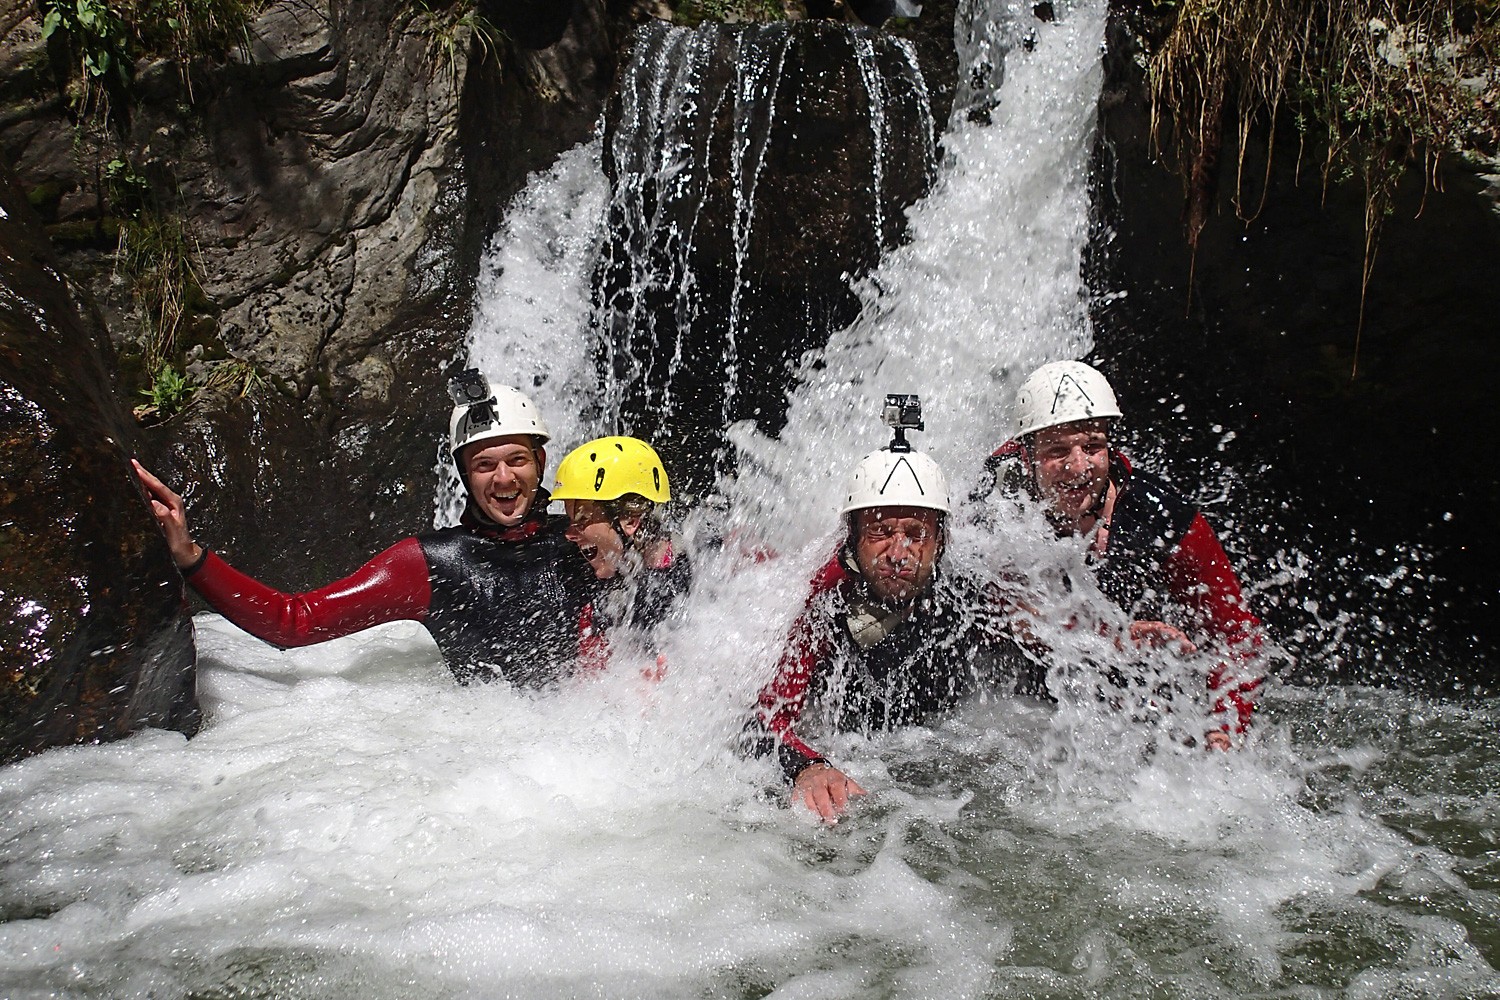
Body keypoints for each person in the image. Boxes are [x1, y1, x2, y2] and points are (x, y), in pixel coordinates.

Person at [133, 369, 598, 686]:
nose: (503, 479)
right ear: (463, 474)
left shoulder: (581, 539)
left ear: (539, 462)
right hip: (502, 766)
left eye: (517, 460)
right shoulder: (427, 564)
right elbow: (293, 622)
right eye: (484, 465)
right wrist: (191, 557)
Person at [754, 396, 1035, 823]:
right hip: (863, 754)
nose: (899, 552)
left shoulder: (970, 595)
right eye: (880, 532)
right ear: (852, 538)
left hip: (941, 769)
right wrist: (807, 766)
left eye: (916, 533)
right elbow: (764, 721)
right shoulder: (821, 602)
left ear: (940, 541)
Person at [979, 360, 1264, 748]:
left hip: (1138, 689)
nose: (1077, 466)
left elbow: (1236, 634)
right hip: (1026, 699)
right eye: (1057, 450)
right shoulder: (999, 507)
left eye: (1092, 447)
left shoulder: (1162, 515)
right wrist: (1108, 640)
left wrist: (1225, 725)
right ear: (1027, 456)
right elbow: (1011, 615)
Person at [549, 435, 692, 672]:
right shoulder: (582, 579)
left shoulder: (699, 582)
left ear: (630, 521)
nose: (570, 534)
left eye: (583, 519)